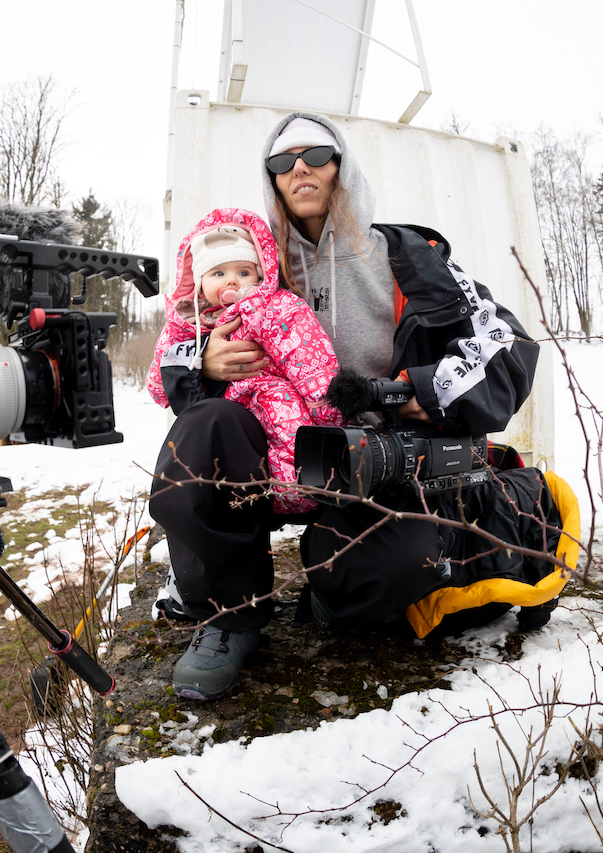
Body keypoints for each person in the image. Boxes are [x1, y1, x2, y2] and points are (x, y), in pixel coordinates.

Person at [149, 113, 578, 701]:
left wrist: (428, 390)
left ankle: (333, 587)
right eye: (282, 161)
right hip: (269, 451)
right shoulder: (250, 263)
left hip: (373, 464)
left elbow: (506, 343)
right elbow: (172, 343)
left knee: (390, 570)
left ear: (342, 164)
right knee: (200, 433)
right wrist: (200, 361)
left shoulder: (411, 255)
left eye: (316, 155)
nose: (299, 168)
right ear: (271, 181)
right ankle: (230, 617)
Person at [146, 207, 344, 514]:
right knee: (202, 436)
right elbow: (159, 386)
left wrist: (328, 409)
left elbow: (308, 357)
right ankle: (220, 508)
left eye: (243, 272)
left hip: (269, 389)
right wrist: (195, 359)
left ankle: (294, 492)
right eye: (218, 273)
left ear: (260, 272)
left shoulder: (272, 307)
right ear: (199, 282)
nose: (232, 282)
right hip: (224, 408)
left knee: (288, 425)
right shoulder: (185, 322)